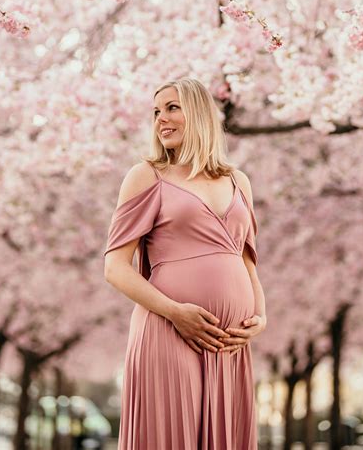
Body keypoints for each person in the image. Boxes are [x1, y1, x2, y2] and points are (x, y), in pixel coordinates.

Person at [103, 77, 267, 449]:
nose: (161, 118)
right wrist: (177, 313)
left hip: (230, 345)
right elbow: (115, 267)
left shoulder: (238, 181)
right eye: (156, 112)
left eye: (172, 107)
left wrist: (260, 317)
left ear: (200, 114)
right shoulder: (148, 176)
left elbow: (247, 260)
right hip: (168, 331)